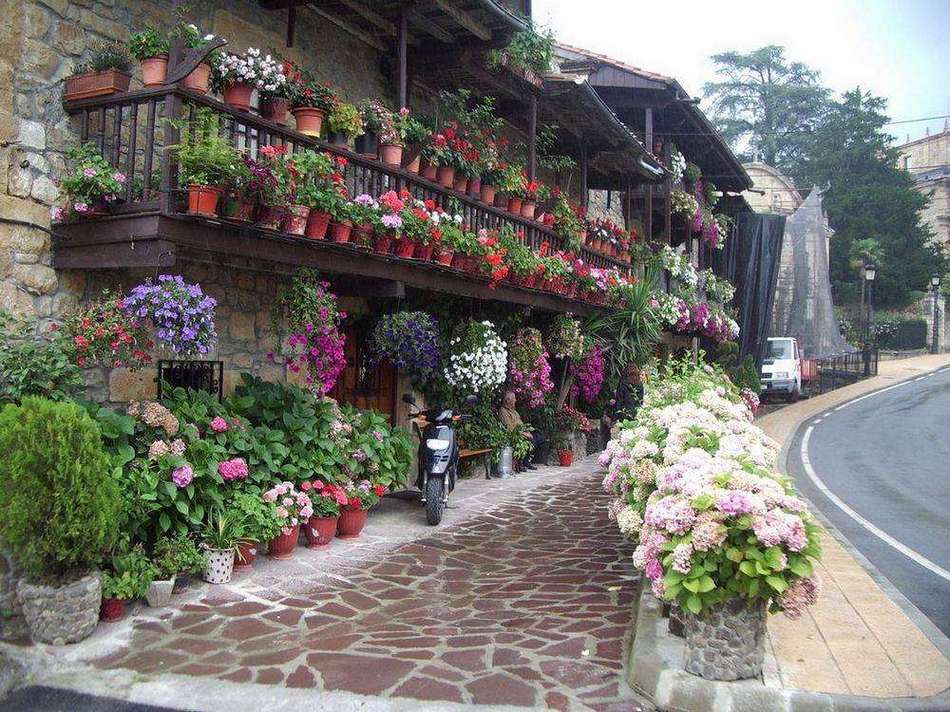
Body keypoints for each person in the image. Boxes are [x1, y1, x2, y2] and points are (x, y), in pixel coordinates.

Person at [498, 391, 545, 470]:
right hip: (513, 435)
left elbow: (521, 424)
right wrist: (524, 434)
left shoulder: (514, 411)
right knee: (531, 440)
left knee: (540, 437)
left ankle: (526, 461)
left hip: (521, 432)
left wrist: (527, 431)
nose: (515, 400)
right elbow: (510, 428)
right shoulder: (503, 411)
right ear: (508, 401)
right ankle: (523, 462)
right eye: (514, 398)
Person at [606, 362, 645, 428]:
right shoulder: (640, 384)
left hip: (624, 412)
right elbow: (641, 400)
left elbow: (619, 400)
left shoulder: (623, 383)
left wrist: (614, 418)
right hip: (636, 413)